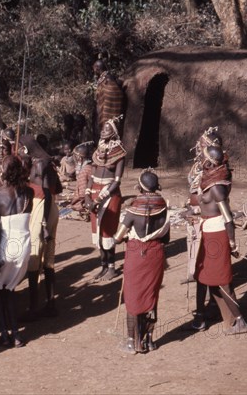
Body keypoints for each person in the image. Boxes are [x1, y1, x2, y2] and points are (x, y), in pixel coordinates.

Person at [193, 146, 247, 335]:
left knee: (222, 280)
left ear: (209, 162)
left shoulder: (217, 187)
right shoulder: (211, 180)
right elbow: (207, 208)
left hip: (217, 236)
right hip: (207, 232)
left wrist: (232, 243)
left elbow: (228, 218)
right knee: (201, 275)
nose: (200, 159)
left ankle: (240, 321)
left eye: (203, 157)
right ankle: (200, 317)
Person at [114, 170, 170, 354]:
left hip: (136, 255)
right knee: (151, 296)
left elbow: (117, 237)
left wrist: (124, 237)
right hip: (156, 254)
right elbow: (166, 238)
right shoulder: (163, 207)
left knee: (132, 296)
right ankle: (149, 340)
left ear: (140, 187)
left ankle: (132, 341)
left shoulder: (133, 210)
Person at [0, 155, 34, 347]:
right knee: (10, 288)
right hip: (24, 246)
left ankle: (5, 334)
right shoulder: (29, 192)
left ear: (3, 172)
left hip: (6, 246)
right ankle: (17, 334)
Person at [19, 134, 62, 320]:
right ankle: (50, 303)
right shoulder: (47, 162)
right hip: (50, 207)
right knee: (49, 258)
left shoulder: (39, 164)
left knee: (35, 258)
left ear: (27, 149)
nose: (20, 151)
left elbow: (44, 192)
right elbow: (57, 188)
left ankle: (33, 308)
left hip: (41, 208)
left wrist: (43, 223)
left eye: (21, 148)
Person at [186, 127, 224, 328]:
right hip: (196, 221)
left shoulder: (218, 170)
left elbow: (217, 201)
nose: (198, 147)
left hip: (210, 223)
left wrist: (197, 213)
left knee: (206, 269)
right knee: (198, 266)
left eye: (202, 145)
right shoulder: (199, 166)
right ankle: (205, 309)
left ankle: (204, 312)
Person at [85, 118, 126, 281]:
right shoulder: (97, 151)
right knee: (97, 231)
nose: (103, 131)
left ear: (114, 132)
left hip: (110, 195)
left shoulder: (120, 153)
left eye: (108, 128)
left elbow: (117, 181)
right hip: (94, 192)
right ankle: (103, 265)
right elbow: (92, 175)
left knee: (107, 231)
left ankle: (111, 267)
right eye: (103, 128)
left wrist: (100, 197)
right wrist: (87, 196)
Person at [92, 60, 125, 140]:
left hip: (108, 113)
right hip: (103, 112)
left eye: (94, 68)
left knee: (109, 133)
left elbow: (114, 94)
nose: (93, 70)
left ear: (97, 68)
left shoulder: (108, 79)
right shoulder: (103, 79)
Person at [69, 143, 92, 220]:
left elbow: (82, 193)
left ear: (79, 157)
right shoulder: (90, 167)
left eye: (75, 155)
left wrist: (75, 204)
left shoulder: (84, 171)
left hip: (85, 202)